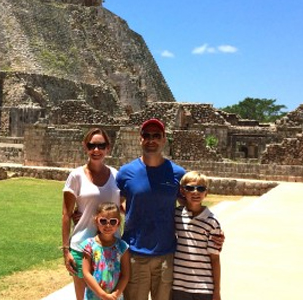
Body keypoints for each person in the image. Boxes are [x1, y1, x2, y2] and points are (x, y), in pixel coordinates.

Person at [117, 118, 224, 300]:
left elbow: (190, 204)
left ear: (164, 139)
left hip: (166, 255)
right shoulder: (126, 172)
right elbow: (116, 203)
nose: (151, 140)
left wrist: (213, 229)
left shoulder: (177, 173)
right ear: (140, 139)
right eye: (147, 135)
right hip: (135, 253)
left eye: (157, 136)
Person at [63, 128, 122, 300]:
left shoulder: (115, 175)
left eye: (101, 146)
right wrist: (65, 251)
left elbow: (122, 207)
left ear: (108, 148)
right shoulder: (76, 176)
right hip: (82, 247)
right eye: (92, 146)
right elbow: (66, 215)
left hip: (110, 247)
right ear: (85, 147)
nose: (96, 150)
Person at [172, 171, 222, 300]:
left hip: (203, 287)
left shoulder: (212, 222)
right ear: (183, 192)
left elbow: (215, 259)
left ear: (206, 193)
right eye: (190, 188)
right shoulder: (175, 215)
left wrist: (217, 291)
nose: (195, 192)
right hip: (178, 285)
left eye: (200, 188)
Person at [82, 202, 131, 300]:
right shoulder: (89, 245)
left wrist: (115, 295)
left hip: (115, 297)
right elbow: (86, 273)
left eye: (113, 221)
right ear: (96, 221)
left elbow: (126, 275)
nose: (108, 225)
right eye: (103, 221)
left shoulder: (122, 247)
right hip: (94, 296)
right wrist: (102, 295)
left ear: (118, 223)